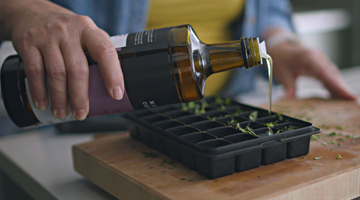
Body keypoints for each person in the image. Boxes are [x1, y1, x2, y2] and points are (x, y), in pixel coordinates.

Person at [0, 0, 358, 123]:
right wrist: (22, 9)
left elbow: (267, 6)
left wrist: (279, 43)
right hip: (64, 121)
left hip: (224, 106)